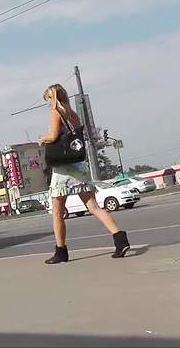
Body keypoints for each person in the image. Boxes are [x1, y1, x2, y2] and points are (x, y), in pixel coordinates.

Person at [38, 84, 131, 264]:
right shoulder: (73, 115)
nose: (48, 103)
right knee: (94, 206)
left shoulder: (56, 112)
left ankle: (61, 251)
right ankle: (120, 239)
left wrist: (44, 138)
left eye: (49, 99)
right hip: (79, 166)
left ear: (54, 98)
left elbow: (55, 135)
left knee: (57, 212)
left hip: (63, 168)